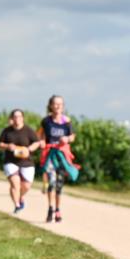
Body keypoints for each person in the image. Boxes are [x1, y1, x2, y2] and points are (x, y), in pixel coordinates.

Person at [36, 95, 79, 223]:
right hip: (50, 154)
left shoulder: (67, 121)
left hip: (62, 155)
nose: (58, 106)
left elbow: (72, 136)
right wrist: (42, 142)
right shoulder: (46, 121)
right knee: (52, 182)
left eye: (60, 104)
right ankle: (50, 208)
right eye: (55, 104)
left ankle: (58, 209)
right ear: (50, 106)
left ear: (63, 106)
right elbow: (40, 135)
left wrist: (67, 139)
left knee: (59, 184)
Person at [0, 109, 41, 214]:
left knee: (26, 186)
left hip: (27, 161)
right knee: (15, 184)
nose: (17, 119)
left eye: (19, 116)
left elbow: (37, 143)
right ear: (12, 118)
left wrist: (29, 149)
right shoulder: (6, 131)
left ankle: (20, 197)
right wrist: (8, 146)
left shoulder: (28, 130)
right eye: (15, 116)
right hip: (10, 161)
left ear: (22, 118)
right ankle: (17, 205)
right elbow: (0, 144)